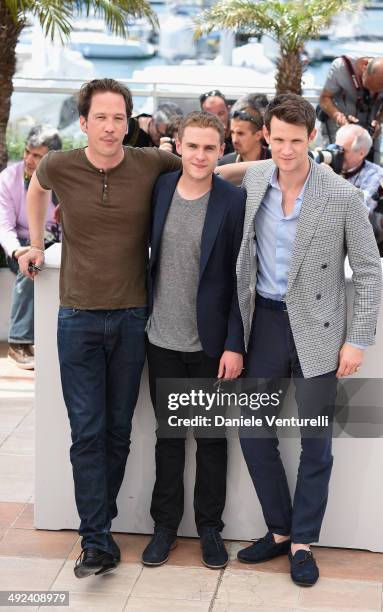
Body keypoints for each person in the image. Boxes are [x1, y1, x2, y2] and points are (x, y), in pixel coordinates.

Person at [19, 78, 183, 580]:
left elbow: (203, 164)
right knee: (87, 433)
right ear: (84, 122)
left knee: (116, 433)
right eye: (100, 118)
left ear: (129, 122)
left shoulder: (151, 162)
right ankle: (96, 540)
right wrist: (37, 242)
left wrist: (285, 165)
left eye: (119, 118)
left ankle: (100, 531)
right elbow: (37, 188)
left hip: (134, 319)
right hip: (77, 319)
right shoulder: (59, 164)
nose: (110, 127)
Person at [235, 94, 382, 586]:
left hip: (320, 331)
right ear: (266, 137)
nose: (285, 150)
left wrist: (357, 339)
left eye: (295, 141)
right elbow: (214, 175)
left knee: (315, 442)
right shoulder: (255, 177)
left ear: (312, 139)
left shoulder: (341, 194)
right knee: (254, 431)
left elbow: (367, 270)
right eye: (276, 140)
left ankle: (302, 542)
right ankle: (279, 529)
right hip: (266, 325)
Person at [142, 111, 245, 570]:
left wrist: (234, 343)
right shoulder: (160, 190)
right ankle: (164, 527)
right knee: (168, 439)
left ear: (220, 149)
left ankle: (209, 529)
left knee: (210, 440)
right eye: (193, 146)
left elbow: (244, 279)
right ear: (177, 146)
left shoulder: (232, 200)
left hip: (210, 345)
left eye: (210, 147)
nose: (201, 155)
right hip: (160, 338)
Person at [0, 125, 62, 369]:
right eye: (27, 152)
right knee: (33, 262)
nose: (28, 159)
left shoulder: (63, 178)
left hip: (57, 244)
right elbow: (4, 227)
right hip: (20, 246)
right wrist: (18, 251)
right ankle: (18, 342)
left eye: (37, 156)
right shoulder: (7, 179)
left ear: (51, 158)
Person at [319, 56, 383, 161]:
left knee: (370, 170)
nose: (372, 93)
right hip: (338, 129)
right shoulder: (341, 67)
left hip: (369, 135)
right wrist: (338, 117)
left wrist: (379, 122)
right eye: (369, 86)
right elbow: (325, 98)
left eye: (378, 91)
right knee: (335, 165)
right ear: (364, 67)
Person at [335, 124, 383, 211]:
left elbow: (363, 207)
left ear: (361, 153)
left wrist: (332, 181)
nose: (336, 153)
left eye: (343, 150)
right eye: (336, 147)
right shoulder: (324, 166)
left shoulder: (375, 173)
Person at [199, 89, 234, 154]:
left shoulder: (238, 136)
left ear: (228, 110)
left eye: (221, 113)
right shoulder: (197, 138)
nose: (217, 119)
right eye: (210, 115)